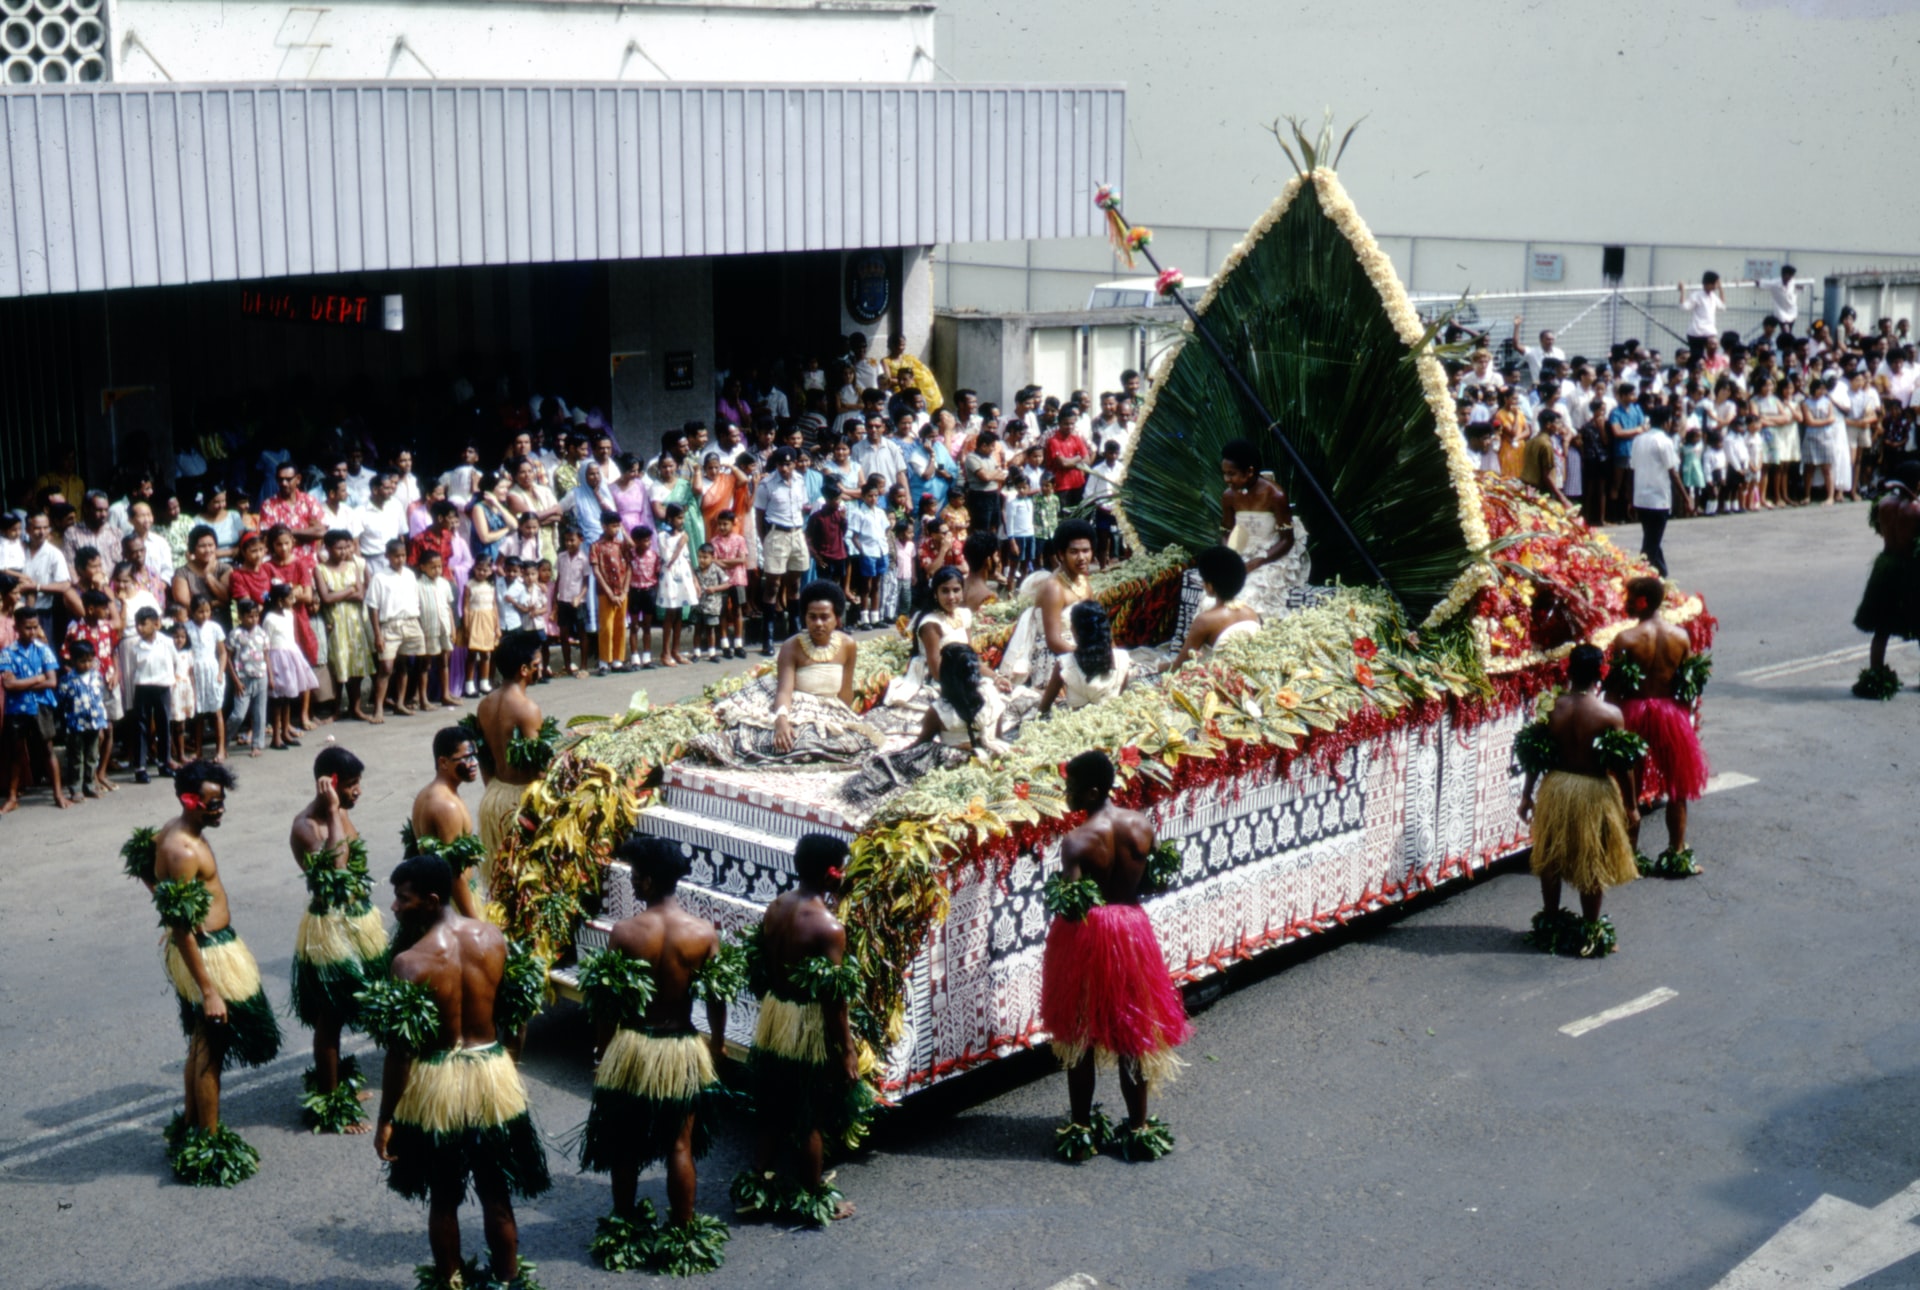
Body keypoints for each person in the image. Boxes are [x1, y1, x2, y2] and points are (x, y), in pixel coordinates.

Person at [371, 853, 550, 1290]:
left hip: (441, 1083)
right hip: (492, 1075)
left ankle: (451, 1284)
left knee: (444, 1198)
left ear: (432, 900)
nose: (394, 907)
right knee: (496, 1191)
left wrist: (386, 1118)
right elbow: (517, 1013)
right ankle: (508, 1282)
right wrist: (506, 1062)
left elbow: (399, 1054)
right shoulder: (493, 939)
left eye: (403, 898)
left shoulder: (409, 963)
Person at [577, 835, 735, 1274]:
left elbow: (610, 1004)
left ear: (646, 880)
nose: (632, 884)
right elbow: (716, 998)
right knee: (679, 1144)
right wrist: (717, 1044)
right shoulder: (703, 934)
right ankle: (682, 1234)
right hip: (681, 1046)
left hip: (634, 1046)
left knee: (626, 1142)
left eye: (634, 877)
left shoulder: (627, 933)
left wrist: (604, 1054)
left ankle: (625, 1224)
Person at [130, 760, 281, 1184]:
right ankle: (209, 1144)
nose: (220, 810)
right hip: (207, 956)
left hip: (209, 949)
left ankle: (194, 1129)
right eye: (213, 803)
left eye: (222, 802)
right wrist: (210, 990)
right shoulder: (181, 849)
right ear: (189, 800)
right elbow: (180, 928)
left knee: (200, 1042)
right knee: (211, 1049)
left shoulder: (178, 833)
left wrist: (163, 897)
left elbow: (143, 860)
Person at [1040, 750, 1191, 1162]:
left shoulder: (1077, 842)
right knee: (1132, 1032)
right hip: (1132, 931)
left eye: (1070, 788)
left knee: (1079, 1034)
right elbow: (1154, 882)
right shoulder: (1141, 824)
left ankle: (1081, 1127)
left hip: (1090, 938)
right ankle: (1139, 1126)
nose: (1066, 795)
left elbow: (1072, 906)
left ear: (1090, 791)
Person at [732, 832, 868, 1225]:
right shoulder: (829, 928)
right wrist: (846, 1049)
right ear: (832, 874)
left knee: (775, 1103)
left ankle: (757, 1183)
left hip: (776, 1015)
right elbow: (834, 998)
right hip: (806, 1023)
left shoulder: (776, 907)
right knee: (810, 1110)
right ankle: (812, 1196)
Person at [1515, 644, 1641, 957]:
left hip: (1557, 787)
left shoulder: (1552, 707)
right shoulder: (1609, 714)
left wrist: (1527, 795)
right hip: (1593, 791)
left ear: (1569, 670)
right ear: (1601, 672)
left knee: (1551, 857)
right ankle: (1590, 929)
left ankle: (1551, 920)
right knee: (1592, 860)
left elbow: (1536, 755)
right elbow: (1623, 766)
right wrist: (1631, 805)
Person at [288, 747, 387, 1134]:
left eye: (358, 784)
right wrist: (332, 812)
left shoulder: (342, 812)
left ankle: (338, 1082)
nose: (357, 792)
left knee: (353, 1008)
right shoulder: (307, 826)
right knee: (330, 1017)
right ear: (328, 784)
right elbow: (337, 872)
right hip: (329, 927)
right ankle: (330, 1105)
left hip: (358, 922)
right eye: (350, 786)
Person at [690, 580, 879, 769]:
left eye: (824, 617)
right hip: (796, 704)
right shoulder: (792, 646)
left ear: (837, 618)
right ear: (804, 617)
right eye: (812, 617)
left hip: (829, 707)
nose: (818, 623)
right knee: (790, 741)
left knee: (851, 744)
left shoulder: (848, 645)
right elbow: (784, 691)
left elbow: (845, 691)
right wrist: (781, 721)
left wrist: (848, 719)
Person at [1607, 576, 1710, 873]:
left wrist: (1612, 727)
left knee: (1632, 788)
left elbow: (1614, 691)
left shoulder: (1626, 639)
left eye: (1629, 597)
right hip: (1670, 714)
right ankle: (1677, 852)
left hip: (1634, 711)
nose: (1624, 602)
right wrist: (1684, 721)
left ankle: (1629, 856)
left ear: (1642, 601)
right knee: (1676, 788)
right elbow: (1688, 686)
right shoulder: (1681, 638)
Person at [472, 629, 554, 876]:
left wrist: (495, 789)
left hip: (495, 796)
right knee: (525, 878)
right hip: (520, 803)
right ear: (524, 670)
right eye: (537, 664)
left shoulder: (485, 704)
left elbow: (483, 755)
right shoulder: (527, 709)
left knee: (500, 875)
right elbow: (538, 768)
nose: (541, 669)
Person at [1218, 439, 1310, 617]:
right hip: (1241, 552)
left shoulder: (1275, 495)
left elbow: (1287, 540)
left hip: (1271, 554)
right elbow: (1226, 532)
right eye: (1225, 474)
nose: (1227, 479)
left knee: (1248, 596)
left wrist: (1258, 561)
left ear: (1250, 471)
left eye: (1232, 474)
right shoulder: (1228, 496)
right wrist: (1230, 555)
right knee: (1216, 596)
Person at [1002, 518, 1098, 688]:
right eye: (1074, 552)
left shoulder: (1083, 580)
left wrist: (1109, 652)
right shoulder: (1054, 588)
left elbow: (1096, 622)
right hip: (1057, 658)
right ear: (1061, 554)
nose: (1082, 558)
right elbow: (1054, 641)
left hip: (1083, 649)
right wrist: (1090, 658)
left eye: (1086, 551)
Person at [1852, 463, 1920, 697]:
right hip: (1910, 569)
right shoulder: (1916, 509)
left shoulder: (1883, 504)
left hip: (1887, 563)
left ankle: (1876, 674)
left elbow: (1882, 531)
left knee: (1882, 627)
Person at [409, 725, 486, 920]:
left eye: (475, 756)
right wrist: (474, 923)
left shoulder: (427, 793)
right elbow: (453, 873)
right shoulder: (446, 806)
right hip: (452, 908)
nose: (474, 763)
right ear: (443, 762)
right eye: (466, 758)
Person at [2, 607, 63, 809]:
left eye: (35, 627)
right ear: (17, 627)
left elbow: (52, 681)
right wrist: (38, 678)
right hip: (17, 708)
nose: (33, 632)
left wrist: (21, 683)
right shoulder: (8, 653)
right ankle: (12, 797)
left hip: (41, 706)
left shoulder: (43, 650)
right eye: (28, 628)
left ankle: (58, 794)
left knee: (47, 749)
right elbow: (8, 685)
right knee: (17, 751)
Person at [1174, 546, 1262, 667]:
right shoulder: (1251, 613)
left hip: (1216, 680)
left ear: (1210, 586)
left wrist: (1154, 667)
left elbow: (1179, 666)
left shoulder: (1205, 620)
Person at [1039, 601, 1130, 715]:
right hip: (1113, 718)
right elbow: (1123, 698)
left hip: (1077, 726)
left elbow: (1043, 708)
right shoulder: (1122, 658)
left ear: (1076, 632)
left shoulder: (1064, 664)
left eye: (1071, 625)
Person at [368, 539, 425, 719]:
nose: (400, 560)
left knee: (404, 665)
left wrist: (418, 622)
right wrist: (378, 634)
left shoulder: (409, 575)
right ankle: (378, 707)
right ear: (387, 556)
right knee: (386, 667)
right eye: (396, 556)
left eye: (403, 556)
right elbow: (373, 607)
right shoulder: (379, 578)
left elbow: (416, 600)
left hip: (409, 622)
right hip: (390, 625)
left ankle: (400, 703)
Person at [123, 605, 179, 780]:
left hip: (162, 686)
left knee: (163, 724)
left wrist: (169, 680)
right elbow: (132, 670)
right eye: (137, 624)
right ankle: (140, 768)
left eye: (143, 624)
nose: (139, 628)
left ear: (156, 624)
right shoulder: (135, 647)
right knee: (141, 726)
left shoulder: (167, 642)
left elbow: (175, 662)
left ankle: (164, 763)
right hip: (143, 687)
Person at [264, 581, 319, 751]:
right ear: (280, 600)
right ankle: (276, 737)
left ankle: (286, 731)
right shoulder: (269, 619)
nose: (293, 600)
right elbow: (265, 645)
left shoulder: (289, 614)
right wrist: (269, 671)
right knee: (278, 699)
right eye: (290, 598)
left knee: (287, 697)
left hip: (290, 655)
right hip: (277, 657)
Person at [57, 637, 109, 802]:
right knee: (76, 757)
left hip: (94, 722)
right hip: (75, 725)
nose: (86, 665)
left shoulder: (96, 676)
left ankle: (90, 785)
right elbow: (62, 701)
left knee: (92, 755)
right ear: (72, 660)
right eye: (82, 661)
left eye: (89, 660)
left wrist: (102, 722)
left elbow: (100, 697)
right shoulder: (67, 680)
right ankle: (75, 788)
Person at [183, 594, 229, 761]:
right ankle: (198, 750)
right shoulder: (186, 628)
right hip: (195, 672)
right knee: (199, 714)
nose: (204, 615)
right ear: (192, 612)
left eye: (207, 611)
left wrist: (220, 672)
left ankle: (221, 749)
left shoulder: (215, 627)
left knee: (216, 711)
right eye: (200, 612)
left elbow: (223, 653)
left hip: (211, 670)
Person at [654, 503, 699, 668]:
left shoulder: (683, 535)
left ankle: (676, 650)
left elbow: (687, 558)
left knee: (680, 613)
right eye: (679, 518)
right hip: (670, 578)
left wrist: (694, 580)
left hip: (684, 577)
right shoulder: (662, 536)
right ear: (670, 518)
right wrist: (680, 543)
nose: (682, 521)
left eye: (683, 517)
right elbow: (667, 559)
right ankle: (664, 653)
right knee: (670, 614)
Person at [227, 598, 270, 758]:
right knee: (238, 714)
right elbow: (229, 659)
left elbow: (266, 655)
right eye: (249, 616)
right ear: (240, 616)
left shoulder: (262, 633)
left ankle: (257, 744)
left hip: (261, 676)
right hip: (243, 679)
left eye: (256, 616)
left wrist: (270, 677)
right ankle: (224, 740)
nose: (253, 619)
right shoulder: (235, 634)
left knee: (260, 713)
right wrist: (236, 681)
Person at [1679, 271, 1726, 364]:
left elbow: (1723, 306)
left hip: (1709, 332)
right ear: (1708, 284)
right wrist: (1683, 291)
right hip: (1697, 333)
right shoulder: (1697, 295)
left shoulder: (1713, 296)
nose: (1717, 285)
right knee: (1697, 359)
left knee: (1711, 357)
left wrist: (1721, 289)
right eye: (1716, 283)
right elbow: (1684, 307)